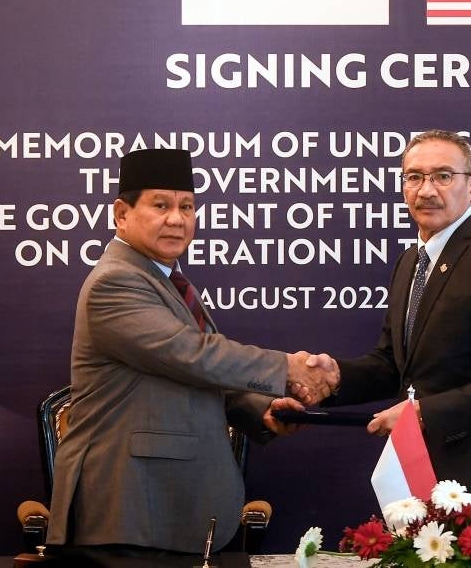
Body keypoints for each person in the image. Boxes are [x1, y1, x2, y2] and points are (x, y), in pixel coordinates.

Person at [46, 148, 337, 555]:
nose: (177, 219)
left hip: (168, 507)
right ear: (120, 213)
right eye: (160, 205)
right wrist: (286, 367)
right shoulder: (115, 283)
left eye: (187, 206)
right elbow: (191, 354)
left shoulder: (166, 280)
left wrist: (261, 410)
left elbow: (192, 374)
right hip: (130, 508)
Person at [320, 130, 471, 488]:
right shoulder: (411, 260)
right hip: (417, 470)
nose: (426, 190)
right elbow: (394, 366)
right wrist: (334, 378)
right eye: (414, 177)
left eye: (443, 176)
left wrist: (424, 413)